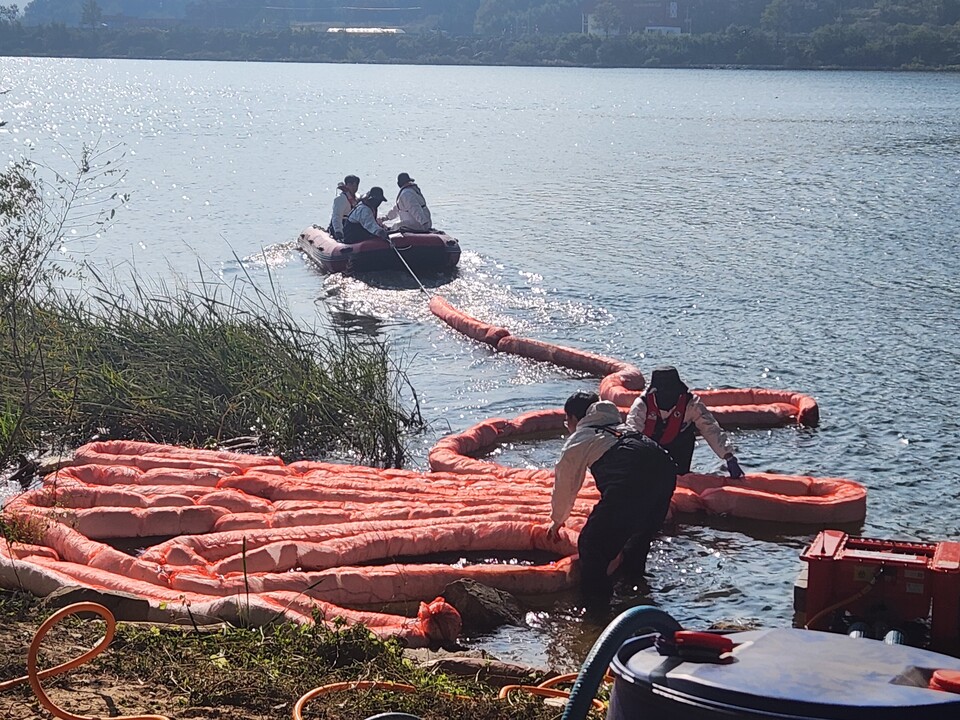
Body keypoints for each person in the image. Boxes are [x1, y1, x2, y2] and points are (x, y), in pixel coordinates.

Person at [548, 391, 678, 607]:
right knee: (637, 538)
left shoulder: (580, 438)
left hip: (631, 482)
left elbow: (566, 484)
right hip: (665, 473)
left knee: (591, 544)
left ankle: (597, 610)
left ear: (573, 419)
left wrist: (557, 520)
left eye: (566, 420)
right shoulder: (622, 427)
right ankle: (636, 592)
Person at [625, 366, 744, 478]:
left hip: (679, 446)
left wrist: (728, 456)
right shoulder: (642, 405)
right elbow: (632, 434)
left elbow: (710, 428)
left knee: (680, 473)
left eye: (671, 391)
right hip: (649, 448)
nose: (668, 395)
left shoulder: (691, 404)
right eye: (664, 392)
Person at [328, 175, 360, 241]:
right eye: (351, 185)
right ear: (346, 185)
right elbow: (336, 216)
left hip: (352, 226)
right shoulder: (341, 198)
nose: (354, 187)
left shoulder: (357, 198)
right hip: (342, 225)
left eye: (356, 185)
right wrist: (338, 231)